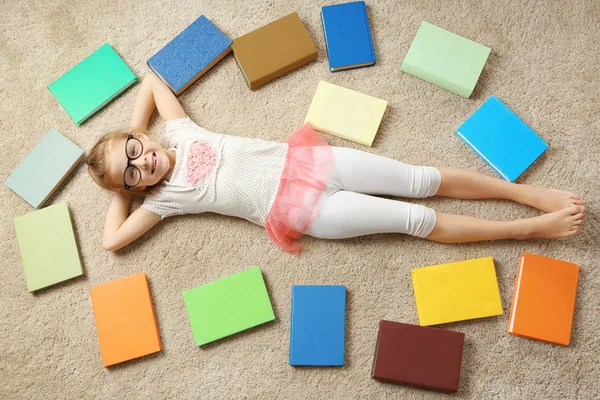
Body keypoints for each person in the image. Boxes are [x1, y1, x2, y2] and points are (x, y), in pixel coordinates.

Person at [87, 74, 585, 254]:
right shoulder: (163, 201)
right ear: (136, 188)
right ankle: (527, 229)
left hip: (316, 163)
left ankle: (524, 195)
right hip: (308, 215)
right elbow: (111, 241)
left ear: (140, 137)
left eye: (134, 151)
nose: (141, 164)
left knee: (421, 178)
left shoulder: (178, 130)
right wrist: (124, 193)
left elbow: (151, 84)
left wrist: (129, 139)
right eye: (131, 173)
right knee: (416, 220)